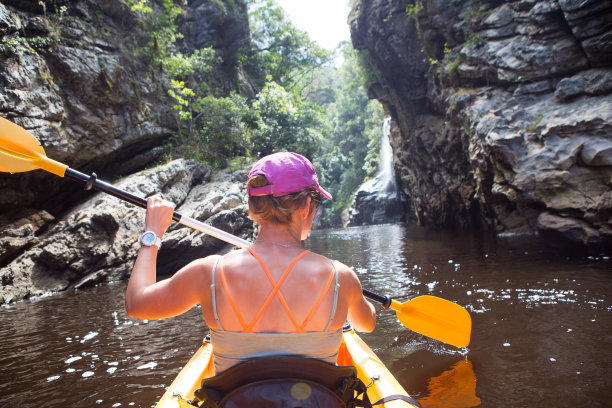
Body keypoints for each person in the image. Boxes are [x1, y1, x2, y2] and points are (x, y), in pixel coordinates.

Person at [125, 151, 376, 373]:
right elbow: (366, 324)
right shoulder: (341, 277)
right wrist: (353, 295)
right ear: (307, 204)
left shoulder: (208, 273)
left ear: (253, 208)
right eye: (317, 202)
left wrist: (153, 233)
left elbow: (137, 303)